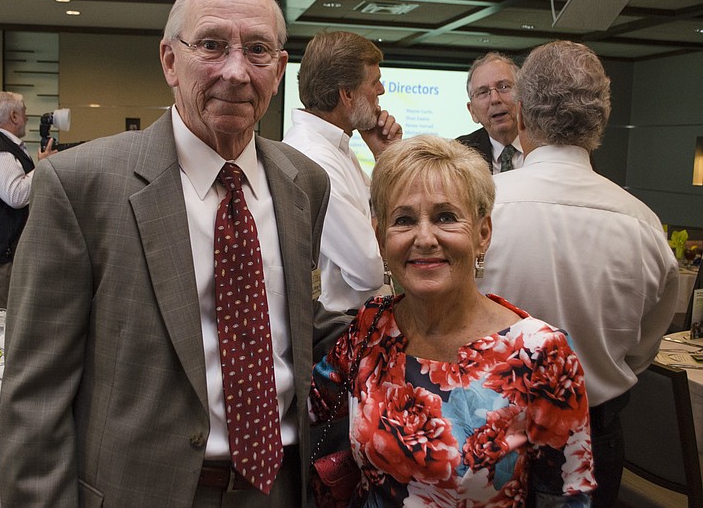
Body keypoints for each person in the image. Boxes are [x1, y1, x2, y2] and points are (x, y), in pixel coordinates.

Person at [0, 0, 347, 508]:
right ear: (169, 60)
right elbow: (35, 398)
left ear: (279, 69)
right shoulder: (80, 186)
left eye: (257, 50)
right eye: (211, 45)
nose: (236, 71)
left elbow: (288, 318)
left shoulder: (305, 183)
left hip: (281, 488)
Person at [310, 134, 595, 506]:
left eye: (445, 217)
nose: (424, 238)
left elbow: (565, 497)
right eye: (404, 220)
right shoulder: (372, 325)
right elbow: (304, 406)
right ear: (380, 238)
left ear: (482, 234)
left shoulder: (540, 354)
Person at [478, 40, 679, 507]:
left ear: (521, 115)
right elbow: (642, 350)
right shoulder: (644, 224)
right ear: (600, 121)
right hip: (594, 431)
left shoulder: (480, 204)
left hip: (488, 426)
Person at [283, 31, 402, 314]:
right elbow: (369, 272)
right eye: (374, 82)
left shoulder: (336, 147)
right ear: (347, 95)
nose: (381, 91)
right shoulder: (316, 158)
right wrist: (378, 230)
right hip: (343, 328)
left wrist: (386, 156)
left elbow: (382, 216)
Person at [0, 91, 55, 307]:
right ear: (14, 116)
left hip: (2, 251)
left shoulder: (2, 145)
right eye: (24, 112)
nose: (27, 117)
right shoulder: (1, 152)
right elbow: (16, 196)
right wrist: (44, 166)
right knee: (1, 316)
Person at [456, 52, 523, 174]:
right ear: (472, 111)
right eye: (482, 92)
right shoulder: (458, 155)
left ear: (524, 95)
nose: (494, 99)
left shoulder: (547, 144)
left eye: (504, 87)